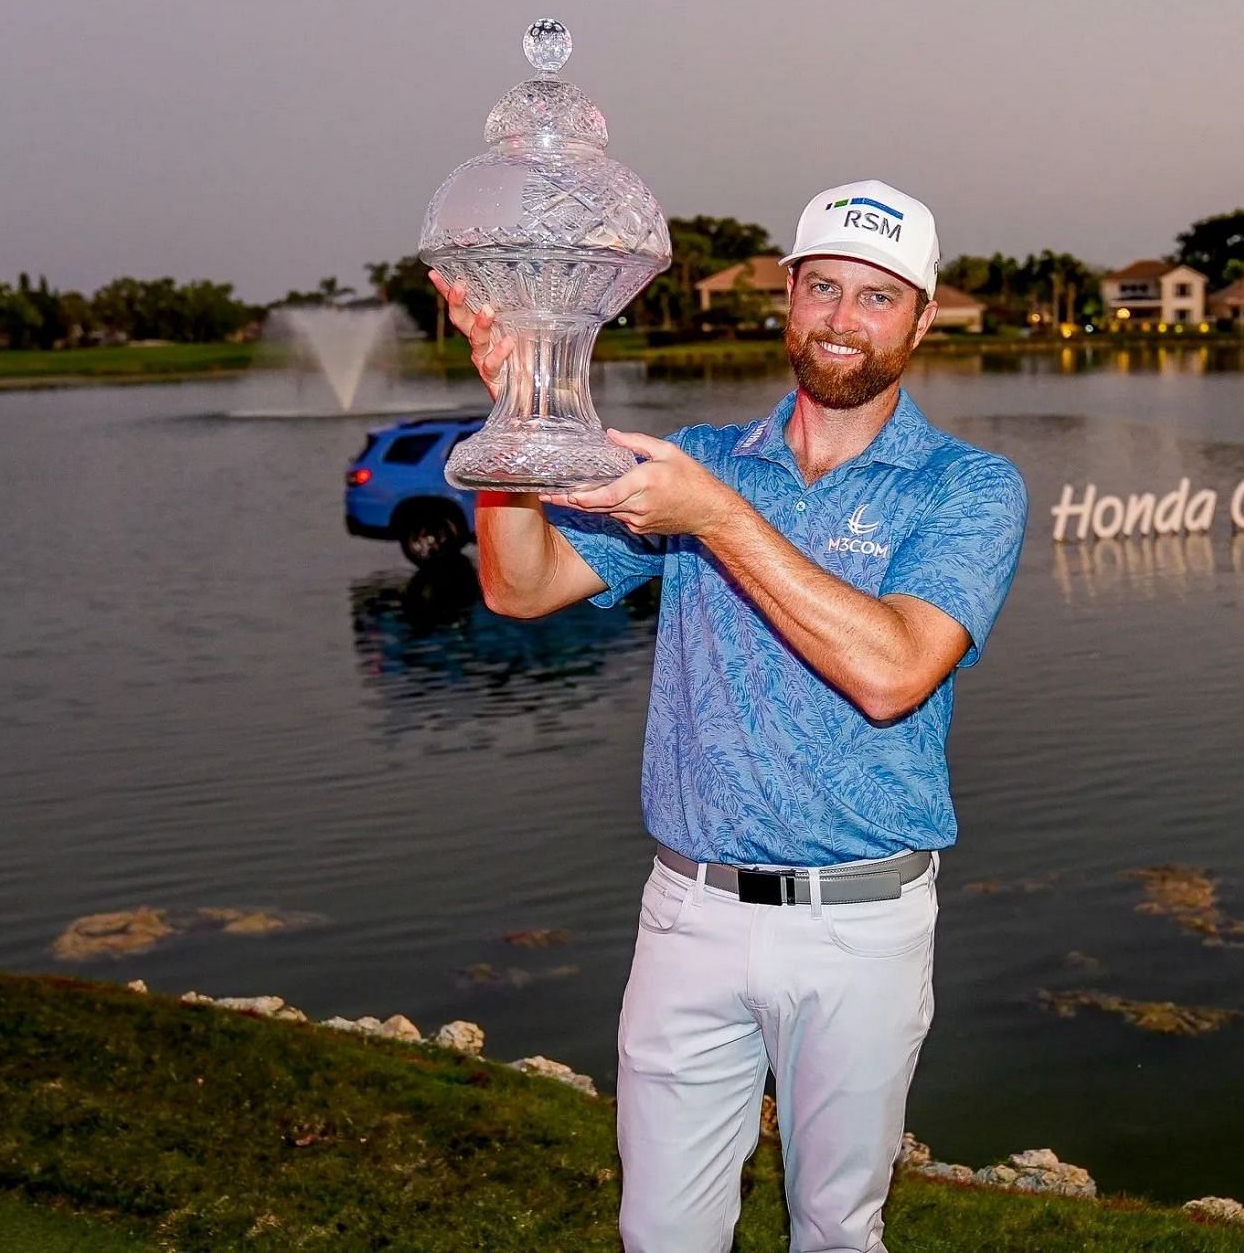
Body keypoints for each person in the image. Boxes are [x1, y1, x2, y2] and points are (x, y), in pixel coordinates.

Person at [430, 179, 1028, 1253]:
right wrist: (519, 421)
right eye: (824, 288)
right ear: (787, 296)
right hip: (689, 912)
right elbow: (520, 587)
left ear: (922, 319)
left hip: (859, 922)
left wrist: (718, 518)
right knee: (661, 1235)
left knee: (837, 1231)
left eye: (879, 298)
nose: (845, 320)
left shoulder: (966, 488)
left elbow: (893, 671)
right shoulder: (699, 459)